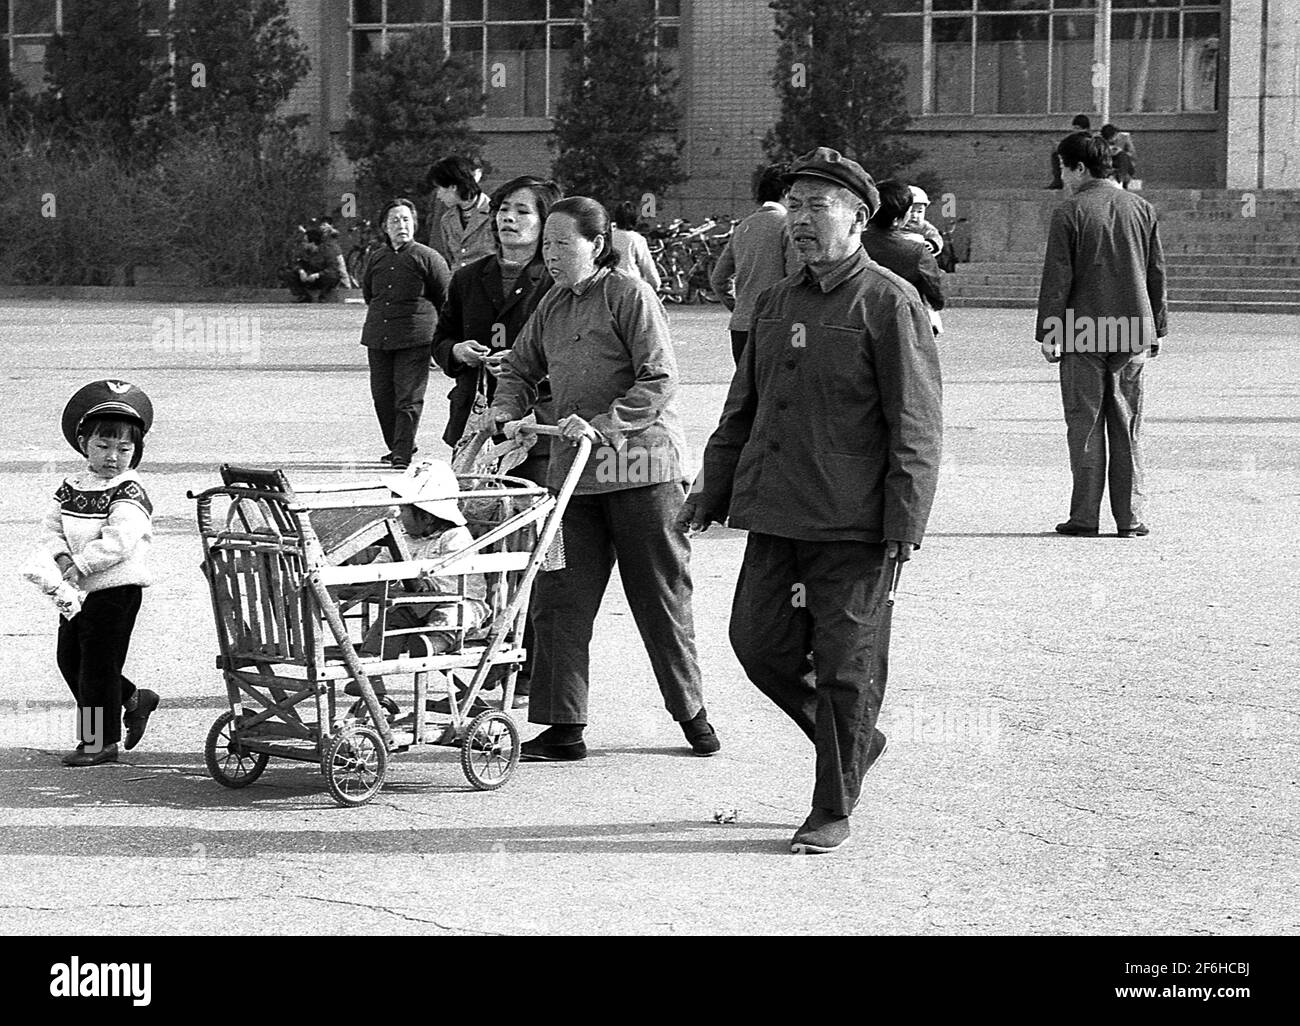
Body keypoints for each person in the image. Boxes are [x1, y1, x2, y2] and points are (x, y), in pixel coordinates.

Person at [680, 148, 943, 855]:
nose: (799, 219)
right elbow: (745, 407)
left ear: (858, 217)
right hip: (777, 511)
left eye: (816, 206)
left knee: (846, 668)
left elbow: (916, 422)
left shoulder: (889, 301)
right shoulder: (775, 300)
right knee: (757, 643)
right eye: (792, 205)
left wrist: (904, 521)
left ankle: (833, 802)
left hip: (854, 522)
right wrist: (713, 486)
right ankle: (857, 743)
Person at [491, 196, 719, 762]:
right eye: (547, 245)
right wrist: (505, 411)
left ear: (598, 243)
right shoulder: (552, 304)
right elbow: (520, 367)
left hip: (640, 469)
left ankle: (692, 714)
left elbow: (659, 377)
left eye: (563, 244)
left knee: (659, 597)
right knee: (558, 594)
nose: (552, 255)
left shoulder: (629, 295)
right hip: (572, 482)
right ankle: (563, 726)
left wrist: (602, 425)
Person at [432, 174, 563, 708]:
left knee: (531, 550)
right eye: (505, 210)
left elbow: (573, 357)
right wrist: (456, 352)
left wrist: (526, 367)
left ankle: (526, 666)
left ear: (545, 224)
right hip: (475, 430)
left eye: (523, 212)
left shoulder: (555, 284)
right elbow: (439, 339)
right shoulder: (468, 278)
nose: (509, 220)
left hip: (535, 432)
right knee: (471, 545)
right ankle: (475, 661)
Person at [1036, 131, 1167, 538]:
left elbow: (1058, 277)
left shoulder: (1070, 211)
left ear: (1078, 167)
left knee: (1085, 423)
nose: (1062, 177)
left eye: (1063, 168)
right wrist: (1157, 328)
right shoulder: (1142, 208)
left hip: (1082, 329)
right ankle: (1130, 518)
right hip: (1131, 328)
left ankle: (1085, 517)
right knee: (1127, 422)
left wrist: (1048, 331)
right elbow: (1155, 273)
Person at [38, 380, 160, 767]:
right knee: (69, 658)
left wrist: (82, 564)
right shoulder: (72, 486)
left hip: (114, 589)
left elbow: (120, 539)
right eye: (103, 446)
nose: (113, 457)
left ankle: (98, 742)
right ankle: (133, 698)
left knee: (97, 666)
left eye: (125, 449)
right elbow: (51, 528)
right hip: (74, 589)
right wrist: (60, 559)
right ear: (83, 443)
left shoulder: (129, 490)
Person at [341, 461, 490, 717]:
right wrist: (364, 577)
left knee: (451, 616)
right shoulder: (402, 538)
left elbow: (454, 579)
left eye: (403, 510)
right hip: (414, 604)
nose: (398, 516)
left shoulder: (454, 537)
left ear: (427, 514)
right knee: (389, 620)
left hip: (459, 600)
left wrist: (418, 579)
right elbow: (382, 565)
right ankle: (370, 672)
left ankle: (432, 643)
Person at [360, 198, 452, 471]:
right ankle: (399, 445)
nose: (401, 225)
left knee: (408, 397)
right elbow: (369, 294)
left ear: (415, 224)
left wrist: (440, 340)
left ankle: (402, 452)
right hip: (379, 336)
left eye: (406, 220)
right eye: (395, 220)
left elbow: (445, 299)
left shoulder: (429, 258)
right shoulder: (376, 258)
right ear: (385, 228)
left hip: (416, 337)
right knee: (382, 396)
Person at [709, 163, 802, 364]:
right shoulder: (788, 225)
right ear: (787, 192)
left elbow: (718, 280)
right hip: (776, 326)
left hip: (741, 326)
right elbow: (796, 278)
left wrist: (738, 306)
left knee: (746, 392)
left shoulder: (743, 226)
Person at [862, 179, 947, 328]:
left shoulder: (851, 242)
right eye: (911, 209)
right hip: (901, 320)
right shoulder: (917, 252)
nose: (914, 215)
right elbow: (937, 292)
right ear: (903, 214)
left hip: (855, 314)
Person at [428, 155, 496, 272]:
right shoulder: (447, 220)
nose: (438, 196)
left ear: (453, 187)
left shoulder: (495, 214)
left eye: (440, 188)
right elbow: (450, 259)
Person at [609, 201, 661, 291]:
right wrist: (656, 284)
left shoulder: (608, 237)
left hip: (609, 284)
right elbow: (647, 265)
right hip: (630, 284)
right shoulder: (637, 239)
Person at [288, 226, 346, 302]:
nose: (303, 244)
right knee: (287, 272)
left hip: (321, 278)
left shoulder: (327, 251)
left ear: (312, 243)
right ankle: (302, 295)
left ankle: (324, 296)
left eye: (305, 242)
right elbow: (295, 263)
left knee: (332, 276)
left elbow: (332, 268)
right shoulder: (304, 251)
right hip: (307, 276)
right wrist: (301, 271)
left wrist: (317, 275)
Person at [1047, 114, 1092, 189]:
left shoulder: (1071, 139)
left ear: (1076, 127)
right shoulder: (1093, 140)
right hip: (1091, 172)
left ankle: (1057, 181)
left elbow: (1060, 149)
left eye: (1075, 128)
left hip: (1074, 169)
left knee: (1055, 153)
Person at [900, 186, 944, 256]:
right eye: (911, 211)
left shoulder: (925, 227)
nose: (915, 215)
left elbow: (935, 237)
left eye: (919, 211)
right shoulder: (894, 224)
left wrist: (931, 244)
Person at [1100, 124, 1137, 189]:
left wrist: (1119, 151)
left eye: (1112, 138)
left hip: (1122, 165)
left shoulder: (1124, 139)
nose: (1111, 141)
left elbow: (1133, 156)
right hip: (1107, 163)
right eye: (1108, 139)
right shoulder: (1099, 140)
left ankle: (1120, 180)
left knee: (1122, 155)